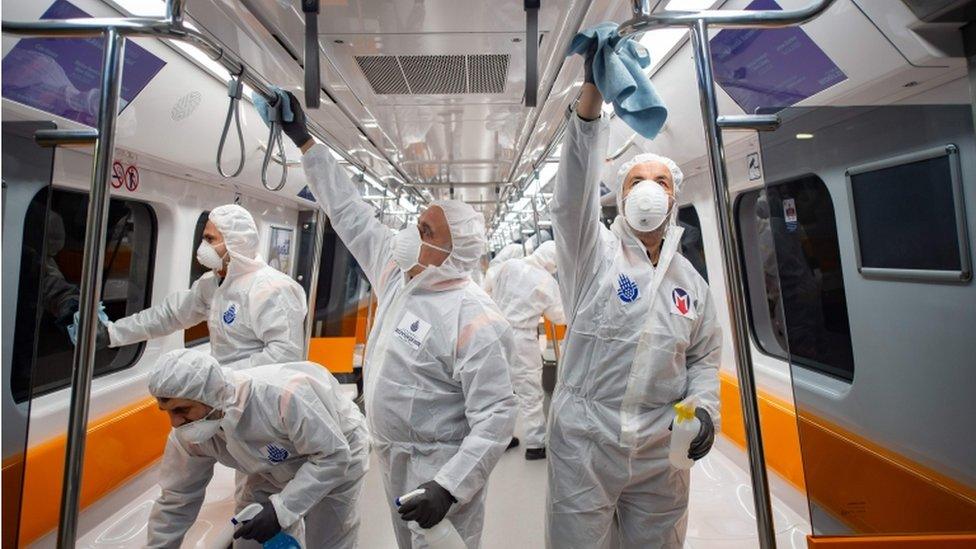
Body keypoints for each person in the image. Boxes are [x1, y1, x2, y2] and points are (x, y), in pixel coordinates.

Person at [263, 91, 517, 548]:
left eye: (424, 231)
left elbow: (497, 416)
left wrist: (449, 486)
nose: (408, 234)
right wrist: (306, 143)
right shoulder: (401, 276)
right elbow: (350, 214)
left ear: (452, 250)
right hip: (392, 455)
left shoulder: (476, 319)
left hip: (440, 465)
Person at [545, 54, 722, 548]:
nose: (649, 191)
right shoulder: (592, 256)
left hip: (663, 445)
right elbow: (571, 198)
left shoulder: (692, 283)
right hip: (586, 440)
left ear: (675, 197)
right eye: (635, 182)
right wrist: (590, 103)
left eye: (661, 182)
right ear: (620, 199)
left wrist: (702, 409)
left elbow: (703, 358)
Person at [145, 349, 368, 548]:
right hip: (268, 468)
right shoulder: (190, 434)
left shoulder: (282, 396)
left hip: (337, 453)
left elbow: (333, 456)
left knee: (327, 538)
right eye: (168, 412)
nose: (175, 422)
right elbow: (177, 499)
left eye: (182, 409)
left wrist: (281, 510)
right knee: (248, 539)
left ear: (210, 397)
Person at [101, 205, 307, 369]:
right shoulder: (211, 283)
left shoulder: (272, 289)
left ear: (236, 243)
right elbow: (169, 316)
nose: (203, 247)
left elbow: (285, 355)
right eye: (203, 238)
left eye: (210, 239)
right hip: (225, 393)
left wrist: (224, 375)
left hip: (260, 395)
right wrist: (113, 333)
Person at [489, 240, 565, 460]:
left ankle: (499, 437)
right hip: (521, 339)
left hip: (495, 333)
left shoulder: (508, 266)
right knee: (529, 391)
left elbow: (489, 286)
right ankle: (536, 443)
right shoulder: (545, 280)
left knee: (499, 390)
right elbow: (559, 316)